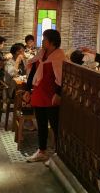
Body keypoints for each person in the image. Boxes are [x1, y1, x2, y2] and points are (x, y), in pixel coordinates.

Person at [24, 29, 65, 163]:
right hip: (39, 93)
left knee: (55, 126)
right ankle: (42, 151)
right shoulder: (42, 53)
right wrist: (27, 89)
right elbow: (33, 71)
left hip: (51, 95)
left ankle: (59, 154)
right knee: (41, 124)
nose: (42, 41)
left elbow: (62, 77)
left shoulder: (59, 56)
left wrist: (58, 93)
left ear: (52, 42)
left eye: (44, 39)